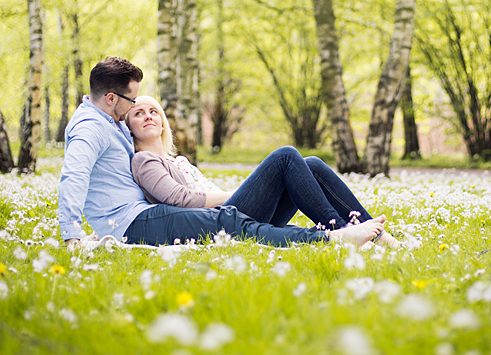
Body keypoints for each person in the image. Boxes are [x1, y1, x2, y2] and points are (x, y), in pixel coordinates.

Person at [58, 57, 385, 248]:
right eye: (133, 104)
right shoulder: (90, 127)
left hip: (142, 214)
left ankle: (366, 231)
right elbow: (74, 175)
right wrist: (72, 236)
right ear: (112, 99)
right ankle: (334, 236)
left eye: (150, 110)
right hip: (131, 221)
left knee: (308, 163)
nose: (139, 110)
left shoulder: (111, 122)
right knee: (237, 212)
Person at [126, 95, 401, 248]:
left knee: (313, 164)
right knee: (286, 156)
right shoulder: (143, 161)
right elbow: (179, 199)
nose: (148, 116)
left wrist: (250, 191)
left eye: (153, 111)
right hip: (217, 222)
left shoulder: (180, 161)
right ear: (129, 128)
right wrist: (241, 192)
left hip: (230, 211)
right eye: (138, 113)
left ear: (163, 123)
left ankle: (376, 234)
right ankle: (343, 233)